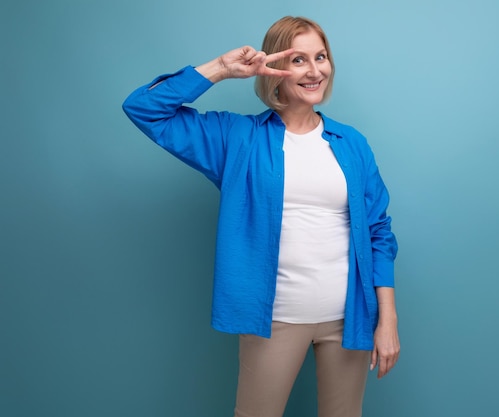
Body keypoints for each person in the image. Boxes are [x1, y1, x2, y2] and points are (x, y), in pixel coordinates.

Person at [123, 15, 399, 417]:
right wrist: (220, 68)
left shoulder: (351, 144)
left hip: (349, 318)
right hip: (277, 318)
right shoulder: (237, 139)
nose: (315, 70)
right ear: (275, 69)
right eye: (299, 59)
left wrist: (387, 319)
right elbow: (143, 109)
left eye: (320, 57)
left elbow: (378, 233)